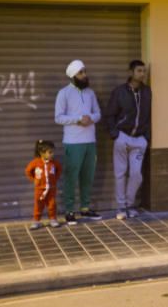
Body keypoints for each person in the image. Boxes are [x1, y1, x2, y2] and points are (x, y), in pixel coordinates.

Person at [55, 60, 102, 224]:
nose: (85, 75)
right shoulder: (64, 93)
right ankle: (69, 210)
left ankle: (85, 208)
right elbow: (58, 117)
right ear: (73, 75)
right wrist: (78, 119)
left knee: (87, 176)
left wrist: (91, 119)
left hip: (90, 141)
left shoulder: (90, 93)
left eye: (85, 72)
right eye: (81, 73)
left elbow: (98, 113)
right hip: (73, 143)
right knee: (71, 177)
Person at [106, 60, 152, 220]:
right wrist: (115, 134)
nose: (143, 74)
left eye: (144, 71)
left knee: (136, 174)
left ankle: (130, 204)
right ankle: (121, 207)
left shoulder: (147, 92)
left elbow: (150, 115)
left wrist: (146, 137)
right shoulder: (119, 92)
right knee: (120, 174)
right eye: (139, 71)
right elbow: (110, 114)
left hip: (139, 140)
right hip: (122, 137)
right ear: (131, 72)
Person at [25, 140, 62, 230]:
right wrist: (34, 180)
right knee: (38, 205)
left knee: (52, 204)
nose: (52, 154)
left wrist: (55, 179)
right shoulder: (35, 162)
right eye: (50, 152)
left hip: (51, 189)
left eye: (53, 152)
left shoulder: (54, 163)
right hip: (39, 189)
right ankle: (36, 221)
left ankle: (53, 219)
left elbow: (59, 170)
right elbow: (28, 171)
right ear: (42, 153)